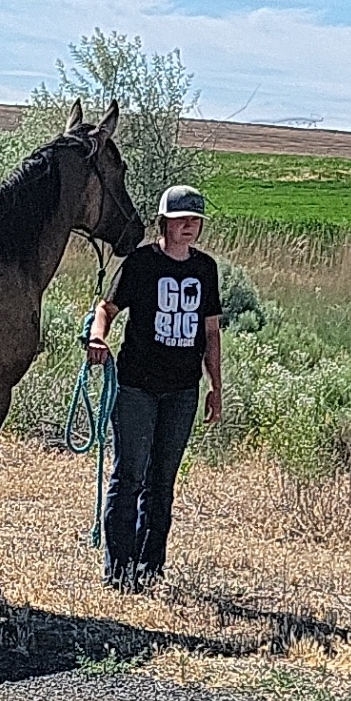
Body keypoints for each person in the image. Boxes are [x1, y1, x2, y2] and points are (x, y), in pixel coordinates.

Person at [87, 184, 222, 587]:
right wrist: (98, 337)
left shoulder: (206, 269)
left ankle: (149, 570)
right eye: (181, 220)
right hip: (136, 386)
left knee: (162, 482)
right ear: (164, 222)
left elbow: (211, 332)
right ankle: (119, 571)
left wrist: (215, 387)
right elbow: (107, 308)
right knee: (129, 477)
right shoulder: (141, 263)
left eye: (195, 220)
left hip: (182, 390)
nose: (189, 226)